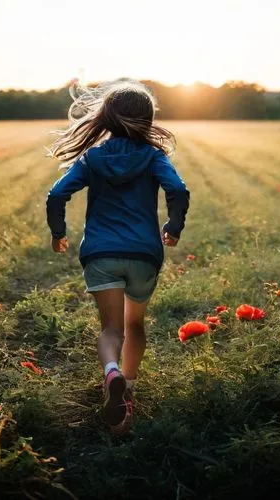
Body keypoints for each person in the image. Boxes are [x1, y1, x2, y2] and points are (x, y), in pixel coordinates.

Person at [46, 79, 189, 435]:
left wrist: (58, 232)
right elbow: (178, 190)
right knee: (134, 325)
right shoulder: (155, 157)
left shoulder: (92, 158)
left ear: (106, 118)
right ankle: (127, 390)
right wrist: (173, 226)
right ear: (148, 118)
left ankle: (110, 371)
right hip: (143, 254)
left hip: (101, 253)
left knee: (111, 329)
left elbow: (56, 194)